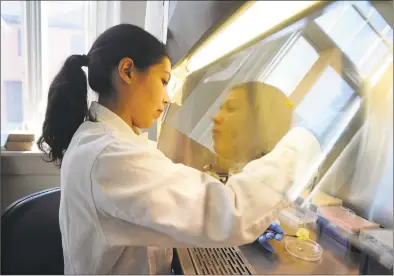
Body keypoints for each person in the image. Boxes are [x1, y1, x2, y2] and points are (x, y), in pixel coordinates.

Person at [37, 24, 321, 274]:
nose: (168, 97)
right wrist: (305, 141)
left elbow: (164, 189)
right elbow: (230, 213)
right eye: (163, 80)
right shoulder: (109, 156)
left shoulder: (107, 141)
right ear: (127, 71)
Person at [211, 82, 293, 252]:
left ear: (261, 123)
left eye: (231, 108)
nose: (216, 117)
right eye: (221, 108)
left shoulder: (274, 177)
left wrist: (254, 221)